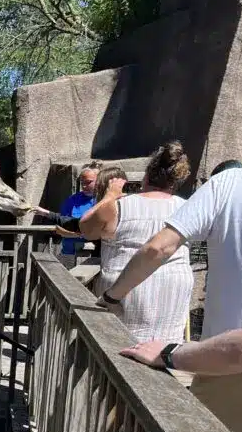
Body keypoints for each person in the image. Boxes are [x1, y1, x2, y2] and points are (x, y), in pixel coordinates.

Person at [99, 123, 242, 432]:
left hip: (228, 363)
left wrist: (111, 297)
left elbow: (158, 248)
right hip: (236, 355)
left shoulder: (230, 183)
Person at [82, 142, 193, 344]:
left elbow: (86, 228)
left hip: (123, 291)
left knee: (117, 352)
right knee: (162, 355)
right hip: (173, 291)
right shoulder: (188, 208)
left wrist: (109, 196)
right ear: (176, 181)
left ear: (147, 175)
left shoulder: (119, 206)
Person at [55, 162, 101, 264]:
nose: (84, 186)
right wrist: (82, 235)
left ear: (99, 181)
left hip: (95, 257)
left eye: (88, 182)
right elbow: (59, 228)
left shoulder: (104, 201)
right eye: (82, 182)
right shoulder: (72, 200)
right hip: (69, 254)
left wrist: (77, 234)